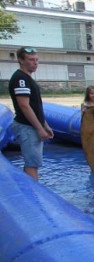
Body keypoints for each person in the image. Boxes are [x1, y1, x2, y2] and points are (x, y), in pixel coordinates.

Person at [9, 47, 54, 181]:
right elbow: (24, 105)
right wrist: (39, 129)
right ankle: (33, 197)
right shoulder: (20, 79)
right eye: (30, 60)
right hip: (27, 127)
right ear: (21, 60)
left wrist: (45, 125)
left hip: (32, 126)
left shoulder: (27, 79)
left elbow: (36, 106)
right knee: (32, 164)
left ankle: (30, 193)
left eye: (36, 60)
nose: (35, 63)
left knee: (33, 163)